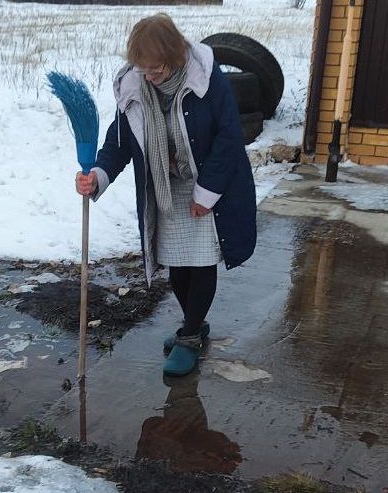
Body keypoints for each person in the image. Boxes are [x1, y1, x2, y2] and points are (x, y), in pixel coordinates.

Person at [75, 14, 256, 377]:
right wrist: (98, 175)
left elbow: (229, 137)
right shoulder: (134, 87)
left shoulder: (205, 79)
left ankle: (189, 336)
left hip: (207, 181)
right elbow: (119, 141)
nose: (149, 75)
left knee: (201, 261)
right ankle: (195, 324)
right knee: (175, 263)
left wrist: (208, 194)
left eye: (155, 68)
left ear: (174, 55)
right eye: (142, 69)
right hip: (164, 186)